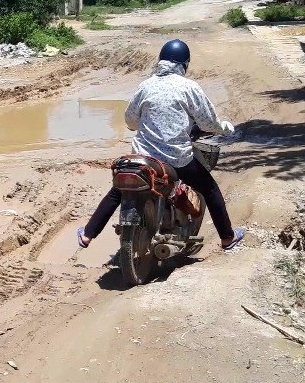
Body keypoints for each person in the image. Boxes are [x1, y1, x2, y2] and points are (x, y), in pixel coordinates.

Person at [77, 40, 245, 252]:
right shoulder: (189, 87)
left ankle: (87, 234)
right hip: (177, 158)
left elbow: (130, 120)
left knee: (119, 190)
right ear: (184, 64)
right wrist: (225, 128)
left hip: (143, 157)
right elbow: (207, 122)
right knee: (210, 189)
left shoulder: (146, 85)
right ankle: (227, 238)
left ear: (161, 61)